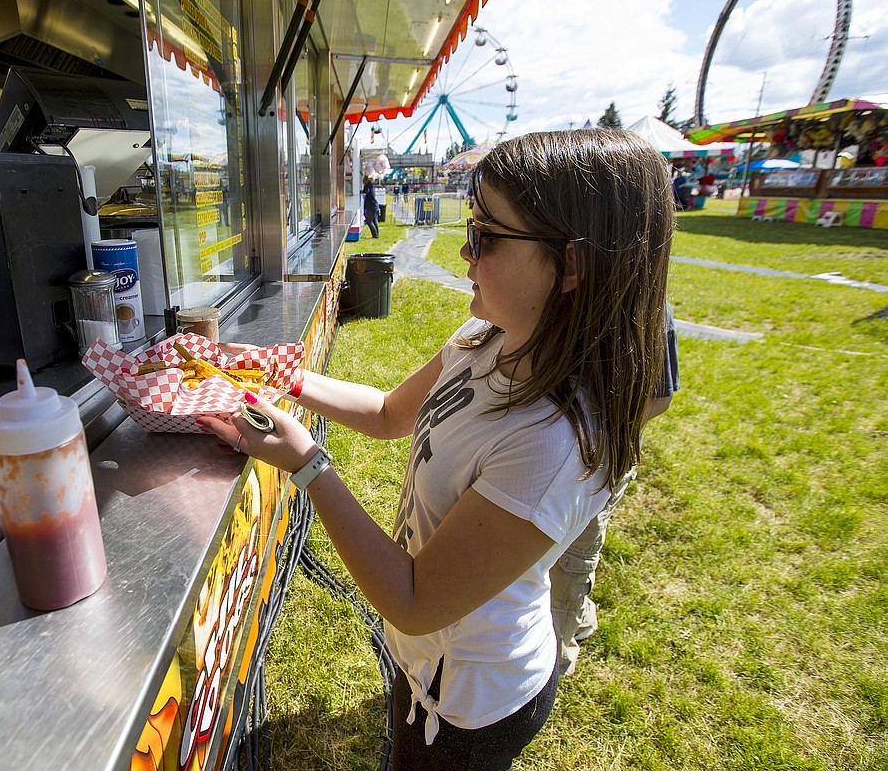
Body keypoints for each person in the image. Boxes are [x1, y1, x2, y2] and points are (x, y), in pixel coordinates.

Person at [199, 129, 674, 770]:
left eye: (486, 237)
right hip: (428, 666)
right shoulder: (487, 333)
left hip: (472, 704)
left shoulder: (552, 445)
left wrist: (309, 465)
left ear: (573, 265)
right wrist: (279, 372)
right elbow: (392, 412)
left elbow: (416, 601)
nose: (463, 251)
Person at [550, 304, 679, 677]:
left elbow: (658, 399)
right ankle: (577, 613)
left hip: (600, 461)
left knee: (573, 558)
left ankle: (554, 661)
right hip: (545, 453)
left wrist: (593, 442)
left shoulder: (650, 303)